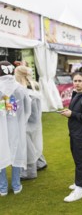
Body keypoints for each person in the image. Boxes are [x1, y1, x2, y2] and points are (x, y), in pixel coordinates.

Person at [60, 72, 82, 202]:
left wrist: (71, 114)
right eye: (75, 81)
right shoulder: (76, 94)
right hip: (75, 132)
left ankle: (79, 189)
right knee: (79, 158)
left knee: (79, 160)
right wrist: (69, 113)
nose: (77, 83)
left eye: (80, 81)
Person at [0, 61, 31, 196]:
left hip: (1, 127)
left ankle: (2, 188)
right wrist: (22, 121)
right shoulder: (20, 88)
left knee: (1, 153)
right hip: (16, 126)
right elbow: (27, 108)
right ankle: (16, 185)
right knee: (16, 152)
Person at [15, 66, 45, 180]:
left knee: (27, 146)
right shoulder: (34, 85)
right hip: (35, 120)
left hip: (28, 121)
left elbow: (25, 108)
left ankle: (30, 172)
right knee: (34, 142)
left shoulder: (22, 89)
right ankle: (41, 162)